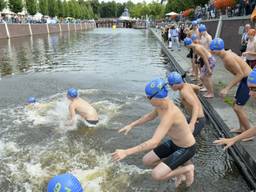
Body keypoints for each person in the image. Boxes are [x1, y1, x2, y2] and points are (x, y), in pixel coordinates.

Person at [112, 78, 196, 187]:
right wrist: (132, 125)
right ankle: (179, 169)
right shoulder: (161, 105)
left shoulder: (170, 114)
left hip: (186, 148)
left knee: (156, 175)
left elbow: (154, 142)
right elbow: (150, 116)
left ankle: (188, 169)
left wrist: (126, 152)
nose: (147, 99)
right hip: (175, 143)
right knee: (147, 160)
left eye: (149, 97)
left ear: (157, 97)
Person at [210, 38, 252, 135]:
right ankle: (242, 128)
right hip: (244, 80)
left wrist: (226, 88)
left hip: (249, 81)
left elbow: (240, 74)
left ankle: (249, 133)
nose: (212, 52)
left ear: (218, 49)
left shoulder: (228, 58)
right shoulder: (225, 54)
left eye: (213, 49)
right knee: (235, 105)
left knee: (238, 108)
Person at [213, 68, 256, 149]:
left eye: (254, 89)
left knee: (238, 108)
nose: (250, 93)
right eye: (249, 89)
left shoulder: (228, 58)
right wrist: (233, 139)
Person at [168, 72, 206, 136]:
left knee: (186, 139)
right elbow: (197, 88)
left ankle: (199, 130)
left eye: (170, 85)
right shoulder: (187, 85)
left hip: (198, 120)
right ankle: (200, 132)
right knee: (176, 127)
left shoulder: (184, 92)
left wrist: (192, 124)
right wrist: (195, 95)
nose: (170, 87)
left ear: (174, 85)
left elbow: (196, 106)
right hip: (196, 117)